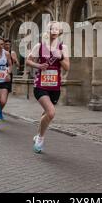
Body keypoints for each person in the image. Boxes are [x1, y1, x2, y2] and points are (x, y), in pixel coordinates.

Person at [26, 21, 70, 153]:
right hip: (40, 85)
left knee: (46, 114)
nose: (55, 31)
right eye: (52, 28)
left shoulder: (63, 48)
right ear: (48, 30)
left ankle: (37, 134)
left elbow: (67, 67)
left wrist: (60, 56)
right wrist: (39, 66)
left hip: (55, 87)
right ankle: (40, 138)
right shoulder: (39, 46)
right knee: (51, 113)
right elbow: (28, 61)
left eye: (57, 29)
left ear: (59, 32)